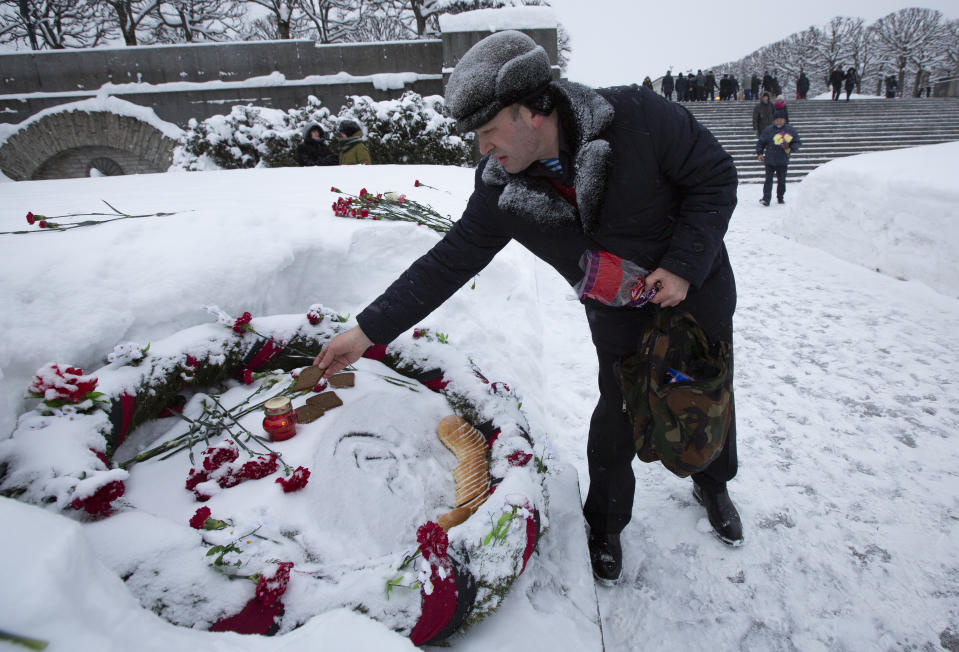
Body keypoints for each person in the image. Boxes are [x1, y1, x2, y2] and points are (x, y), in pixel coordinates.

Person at [312, 30, 744, 585]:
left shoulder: (637, 117)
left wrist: (683, 265)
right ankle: (606, 524)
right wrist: (366, 332)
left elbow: (715, 178)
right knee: (617, 413)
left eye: (489, 132)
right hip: (618, 315)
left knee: (704, 391)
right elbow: (449, 260)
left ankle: (713, 480)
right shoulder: (500, 188)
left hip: (695, 291)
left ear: (532, 112)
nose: (483, 149)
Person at [756, 108, 800, 206]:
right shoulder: (768, 130)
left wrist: (791, 148)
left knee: (781, 180)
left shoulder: (789, 130)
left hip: (782, 160)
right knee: (768, 180)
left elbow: (797, 142)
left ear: (784, 120)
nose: (779, 121)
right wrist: (759, 153)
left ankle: (780, 197)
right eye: (777, 119)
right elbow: (761, 142)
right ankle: (766, 199)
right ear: (774, 120)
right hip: (770, 160)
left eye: (781, 119)